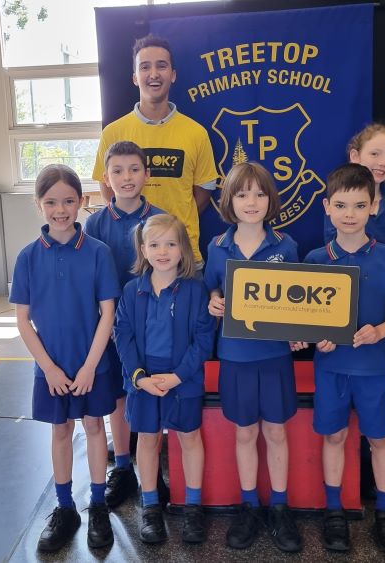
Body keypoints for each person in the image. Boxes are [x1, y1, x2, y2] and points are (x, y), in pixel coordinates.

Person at [10, 164, 121, 553]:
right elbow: (23, 320)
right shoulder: (27, 257)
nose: (61, 210)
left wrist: (90, 365)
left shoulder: (97, 252)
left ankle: (99, 505)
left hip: (92, 363)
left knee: (93, 428)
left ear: (82, 202)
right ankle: (65, 508)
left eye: (69, 201)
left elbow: (107, 312)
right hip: (52, 366)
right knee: (60, 431)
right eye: (52, 202)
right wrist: (49, 367)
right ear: (38, 205)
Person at [303, 163, 385, 554]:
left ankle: (384, 511)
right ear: (327, 207)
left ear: (373, 208)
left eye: (359, 205)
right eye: (341, 205)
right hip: (331, 370)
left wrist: (382, 330)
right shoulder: (314, 260)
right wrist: (316, 339)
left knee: (380, 439)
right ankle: (333, 512)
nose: (349, 214)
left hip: (375, 370)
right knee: (334, 435)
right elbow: (305, 323)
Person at [205, 162, 303, 553]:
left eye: (260, 194)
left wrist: (300, 334)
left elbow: (302, 304)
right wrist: (213, 301)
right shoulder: (216, 248)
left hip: (275, 355)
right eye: (243, 194)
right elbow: (210, 291)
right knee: (245, 432)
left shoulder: (286, 245)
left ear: (270, 200)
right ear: (229, 200)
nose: (252, 202)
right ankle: (250, 505)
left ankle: (279, 507)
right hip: (236, 355)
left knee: (276, 431)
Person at [324, 123, 385, 505]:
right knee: (362, 394)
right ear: (356, 157)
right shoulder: (339, 200)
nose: (382, 163)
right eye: (375, 154)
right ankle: (363, 465)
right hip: (354, 318)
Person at [113, 214, 216, 545]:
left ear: (183, 250)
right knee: (147, 439)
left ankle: (193, 507)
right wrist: (139, 377)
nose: (163, 251)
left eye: (171, 244)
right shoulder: (132, 291)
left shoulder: (196, 291)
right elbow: (123, 335)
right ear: (143, 250)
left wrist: (177, 376)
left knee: (188, 438)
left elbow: (203, 339)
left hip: (182, 377)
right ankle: (151, 505)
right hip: (144, 379)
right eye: (154, 244)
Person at [85, 141, 165, 509]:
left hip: (151, 327)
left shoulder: (161, 221)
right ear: (106, 178)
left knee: (149, 391)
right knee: (119, 395)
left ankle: (153, 471)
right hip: (109, 326)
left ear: (146, 174)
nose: (126, 177)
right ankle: (122, 469)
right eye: (117, 171)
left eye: (134, 169)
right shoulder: (95, 223)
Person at [92, 34, 219, 264]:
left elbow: (202, 195)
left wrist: (170, 230)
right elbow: (108, 190)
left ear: (173, 75)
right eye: (145, 67)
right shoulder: (112, 133)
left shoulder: (196, 133)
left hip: (183, 254)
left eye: (161, 66)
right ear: (134, 77)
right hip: (129, 260)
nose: (153, 74)